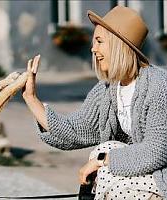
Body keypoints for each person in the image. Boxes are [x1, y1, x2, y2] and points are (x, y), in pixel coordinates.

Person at [22, 5, 167, 200]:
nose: (93, 48)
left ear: (118, 44)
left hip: (161, 173)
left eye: (99, 41)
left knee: (106, 167)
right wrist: (31, 98)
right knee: (103, 151)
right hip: (146, 169)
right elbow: (74, 131)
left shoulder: (158, 86)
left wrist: (102, 162)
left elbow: (156, 151)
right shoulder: (108, 89)